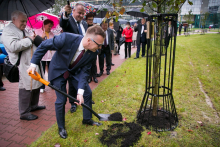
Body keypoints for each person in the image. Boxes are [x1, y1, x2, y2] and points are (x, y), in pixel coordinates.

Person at [27, 25, 105, 139]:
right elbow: (44, 45)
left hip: (74, 71)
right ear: (89, 40)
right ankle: (61, 127)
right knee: (61, 99)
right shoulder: (66, 38)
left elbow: (84, 72)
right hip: (58, 71)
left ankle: (87, 119)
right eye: (99, 45)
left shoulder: (92, 53)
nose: (99, 48)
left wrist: (80, 92)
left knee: (87, 93)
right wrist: (33, 64)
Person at [2, 10, 45, 120]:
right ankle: (24, 112)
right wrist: (30, 39)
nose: (24, 23)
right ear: (13, 20)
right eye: (22, 21)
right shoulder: (8, 31)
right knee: (26, 88)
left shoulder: (21, 29)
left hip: (31, 62)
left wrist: (33, 37)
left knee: (35, 84)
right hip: (22, 64)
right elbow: (13, 46)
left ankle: (33, 105)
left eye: (25, 21)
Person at [60, 3, 88, 113]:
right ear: (73, 11)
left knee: (82, 78)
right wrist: (65, 14)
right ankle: (73, 103)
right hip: (71, 58)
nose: (81, 15)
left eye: (83, 13)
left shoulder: (84, 24)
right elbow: (63, 23)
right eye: (79, 13)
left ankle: (82, 97)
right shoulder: (69, 21)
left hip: (82, 57)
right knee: (71, 82)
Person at [35, 19, 55, 93]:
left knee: (51, 70)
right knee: (42, 71)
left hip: (50, 55)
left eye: (51, 26)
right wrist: (41, 37)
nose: (50, 28)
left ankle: (52, 84)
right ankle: (42, 86)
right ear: (44, 25)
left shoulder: (52, 34)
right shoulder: (38, 32)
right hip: (42, 56)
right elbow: (36, 44)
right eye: (49, 26)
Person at [85, 13, 98, 84]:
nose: (91, 21)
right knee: (88, 63)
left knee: (94, 63)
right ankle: (89, 77)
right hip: (87, 48)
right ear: (86, 20)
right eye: (89, 20)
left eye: (92, 20)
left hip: (93, 48)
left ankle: (94, 76)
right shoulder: (84, 27)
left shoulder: (94, 28)